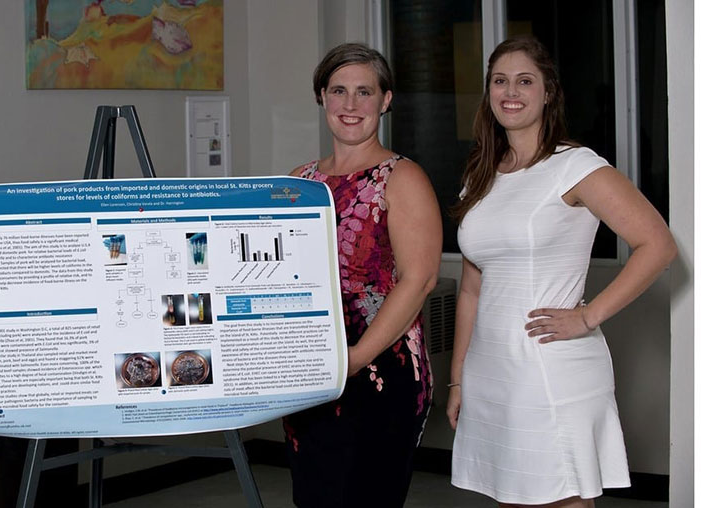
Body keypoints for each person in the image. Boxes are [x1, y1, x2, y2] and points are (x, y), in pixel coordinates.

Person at [447, 36, 677, 507]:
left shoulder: (574, 166)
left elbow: (658, 245)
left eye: (525, 81)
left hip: (550, 366)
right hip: (492, 370)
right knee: (510, 496)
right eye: (500, 81)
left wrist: (589, 316)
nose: (511, 92)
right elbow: (472, 289)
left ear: (548, 92)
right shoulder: (482, 174)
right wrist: (458, 379)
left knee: (563, 498)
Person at [282, 42, 442, 508]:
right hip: (311, 371)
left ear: (386, 100)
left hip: (378, 369)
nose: (350, 105)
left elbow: (419, 280)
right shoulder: (299, 181)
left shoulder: (403, 177)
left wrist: (353, 359)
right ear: (322, 98)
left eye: (364, 92)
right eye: (338, 91)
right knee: (313, 496)